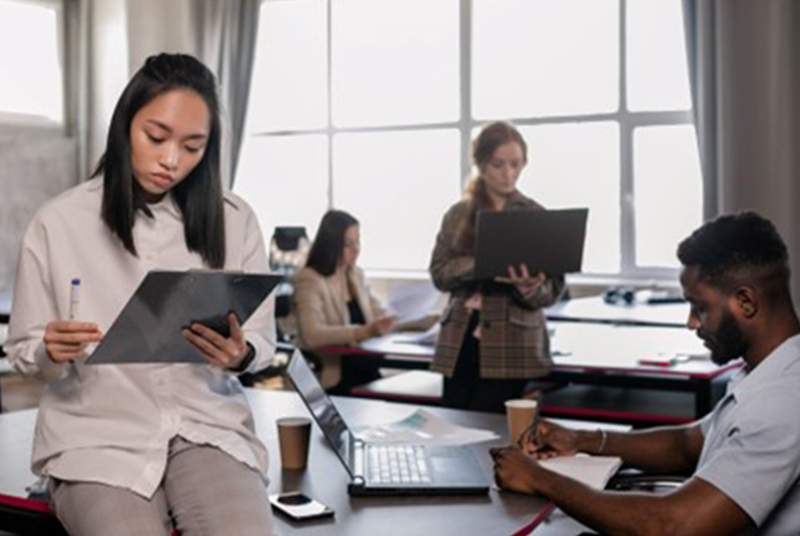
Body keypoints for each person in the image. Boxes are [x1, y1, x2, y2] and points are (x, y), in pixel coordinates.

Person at [6, 53, 276, 536]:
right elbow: (23, 351)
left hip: (206, 426)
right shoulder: (59, 222)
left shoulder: (234, 219)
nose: (172, 160)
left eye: (193, 146)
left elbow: (261, 341)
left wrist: (241, 354)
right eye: (156, 137)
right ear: (125, 123)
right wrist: (49, 348)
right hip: (97, 437)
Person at [492, 211, 800, 535]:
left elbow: (671, 526)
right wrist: (581, 439)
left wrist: (538, 477)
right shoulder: (768, 371)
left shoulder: (780, 401)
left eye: (700, 307)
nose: (691, 322)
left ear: (745, 301)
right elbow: (685, 443)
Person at [429, 121, 565, 412]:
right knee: (452, 426)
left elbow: (552, 291)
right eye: (498, 165)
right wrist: (482, 264)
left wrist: (527, 287)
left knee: (494, 432)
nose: (508, 174)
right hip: (460, 340)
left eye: (515, 164)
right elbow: (439, 273)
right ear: (481, 164)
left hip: (514, 345)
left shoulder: (535, 215)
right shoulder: (457, 215)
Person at [293, 209, 437, 393]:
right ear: (332, 246)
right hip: (338, 376)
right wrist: (364, 332)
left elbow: (382, 318)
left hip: (365, 367)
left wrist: (427, 321)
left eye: (358, 241)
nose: (356, 249)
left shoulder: (355, 274)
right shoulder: (310, 279)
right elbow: (312, 335)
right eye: (348, 243)